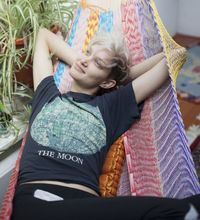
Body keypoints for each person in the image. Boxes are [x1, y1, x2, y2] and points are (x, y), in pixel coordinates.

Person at [11, 28, 199, 220]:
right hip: (35, 199)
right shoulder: (47, 95)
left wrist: (121, 78)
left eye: (98, 63)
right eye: (87, 53)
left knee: (183, 208)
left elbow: (176, 55)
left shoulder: (112, 107)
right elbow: (43, 35)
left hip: (86, 203)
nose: (86, 60)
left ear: (108, 83)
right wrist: (85, 61)